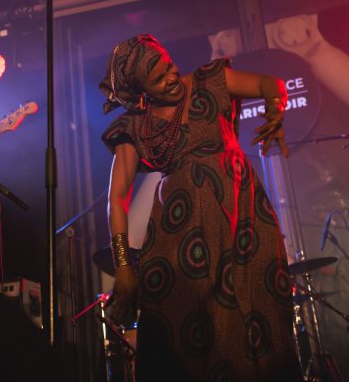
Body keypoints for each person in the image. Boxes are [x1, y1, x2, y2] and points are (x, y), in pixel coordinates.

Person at [99, 34, 302, 381]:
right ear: (142, 90)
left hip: (242, 222)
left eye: (169, 64)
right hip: (179, 240)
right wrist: (123, 267)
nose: (172, 74)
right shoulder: (134, 127)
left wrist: (275, 111)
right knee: (186, 336)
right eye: (159, 76)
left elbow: (272, 84)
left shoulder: (212, 80)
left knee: (259, 321)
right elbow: (115, 199)